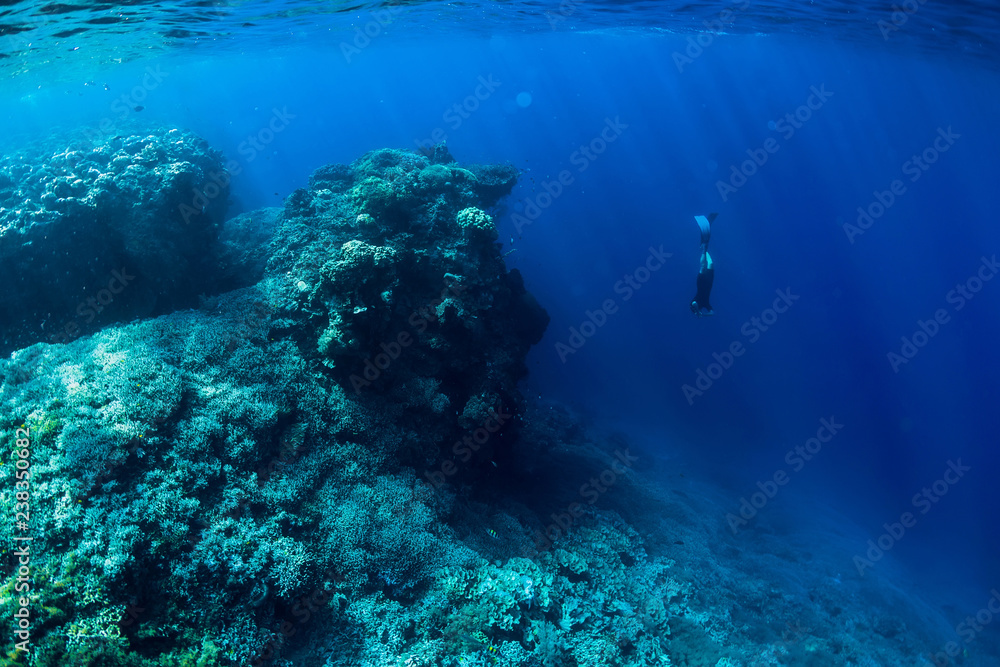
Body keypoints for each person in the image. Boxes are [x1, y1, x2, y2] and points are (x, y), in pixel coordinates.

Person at [690, 213, 718, 316]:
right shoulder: (706, 304)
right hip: (710, 281)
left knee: (703, 266)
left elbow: (693, 304)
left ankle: (704, 249)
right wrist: (703, 314)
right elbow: (712, 312)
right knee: (710, 263)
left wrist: (698, 312)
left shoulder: (696, 302)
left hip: (701, 282)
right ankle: (704, 248)